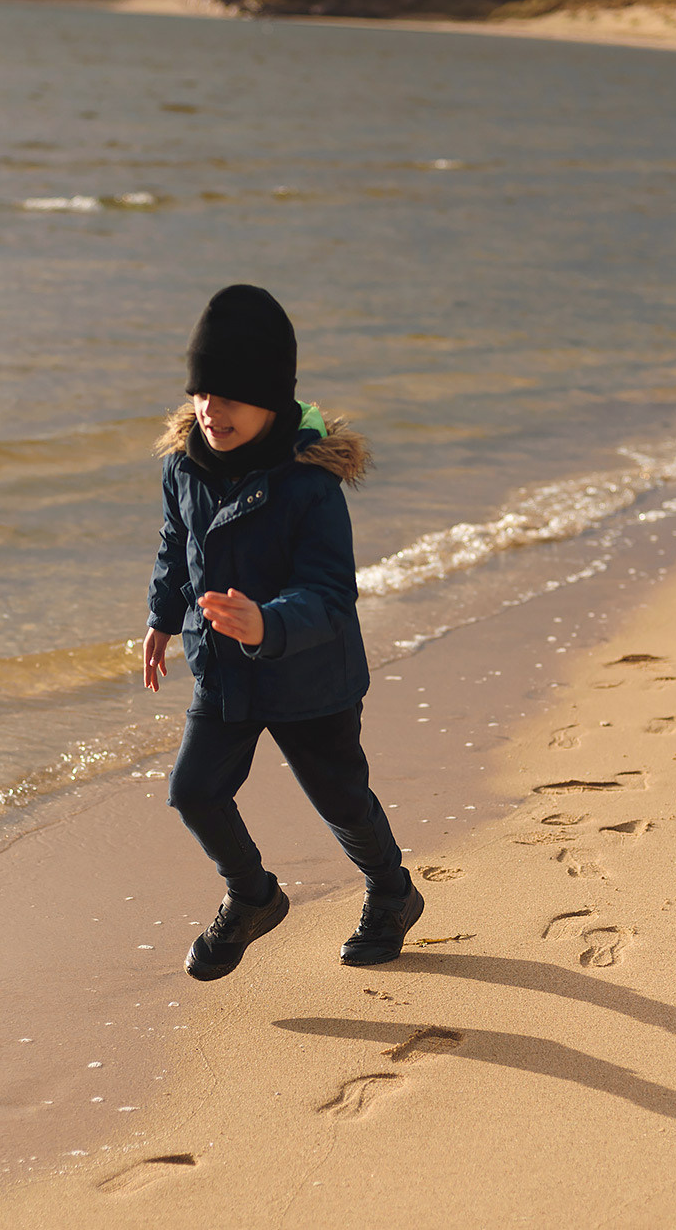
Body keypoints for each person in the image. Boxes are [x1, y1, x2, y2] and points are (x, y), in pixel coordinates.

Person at [142, 283, 422, 981]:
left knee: (340, 796)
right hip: (225, 671)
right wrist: (160, 617)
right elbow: (177, 546)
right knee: (193, 790)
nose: (212, 410)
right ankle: (253, 895)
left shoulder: (309, 484)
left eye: (232, 396)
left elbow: (330, 594)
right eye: (203, 392)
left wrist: (268, 622)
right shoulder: (184, 466)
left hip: (309, 676)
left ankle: (392, 892)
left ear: (272, 398)